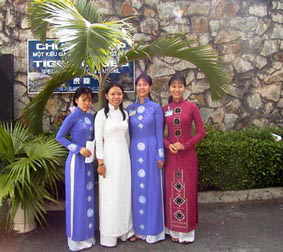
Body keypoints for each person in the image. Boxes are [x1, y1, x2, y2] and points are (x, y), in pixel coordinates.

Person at [163, 73, 206, 243]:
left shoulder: (192, 107)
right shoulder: (165, 109)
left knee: (187, 192)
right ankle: (174, 230)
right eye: (174, 86)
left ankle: (187, 233)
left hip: (188, 157)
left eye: (180, 86)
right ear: (169, 88)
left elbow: (202, 132)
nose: (177, 89)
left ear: (184, 88)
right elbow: (158, 134)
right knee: (172, 191)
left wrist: (185, 145)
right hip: (172, 157)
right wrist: (169, 145)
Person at [56, 87, 96, 251]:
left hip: (88, 162)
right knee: (76, 199)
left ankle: (87, 235)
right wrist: (77, 149)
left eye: (89, 100)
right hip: (76, 162)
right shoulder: (73, 116)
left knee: (88, 198)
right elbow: (59, 137)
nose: (87, 103)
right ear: (76, 100)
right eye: (84, 99)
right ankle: (75, 239)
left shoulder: (90, 117)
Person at [127, 73, 165, 243]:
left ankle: (153, 230)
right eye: (139, 84)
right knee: (136, 190)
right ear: (136, 87)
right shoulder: (129, 109)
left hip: (151, 152)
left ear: (150, 87)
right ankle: (137, 230)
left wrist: (160, 154)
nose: (141, 87)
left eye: (145, 84)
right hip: (134, 153)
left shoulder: (156, 108)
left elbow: (159, 133)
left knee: (152, 189)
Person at [95, 83, 133, 247]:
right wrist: (100, 162)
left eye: (119, 94)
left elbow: (128, 139)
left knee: (123, 193)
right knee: (109, 196)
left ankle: (124, 230)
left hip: (124, 158)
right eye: (113, 94)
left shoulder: (125, 114)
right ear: (106, 96)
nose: (116, 97)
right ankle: (109, 234)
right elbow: (98, 140)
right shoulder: (101, 115)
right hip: (108, 159)